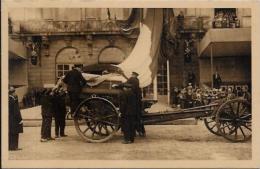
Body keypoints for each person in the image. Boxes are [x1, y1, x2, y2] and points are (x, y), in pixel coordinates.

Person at [9, 86, 23, 151]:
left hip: (10, 119)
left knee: (11, 133)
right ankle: (14, 147)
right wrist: (20, 119)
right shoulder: (13, 100)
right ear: (13, 93)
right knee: (15, 133)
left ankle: (11, 146)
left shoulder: (9, 99)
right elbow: (16, 111)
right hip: (15, 119)